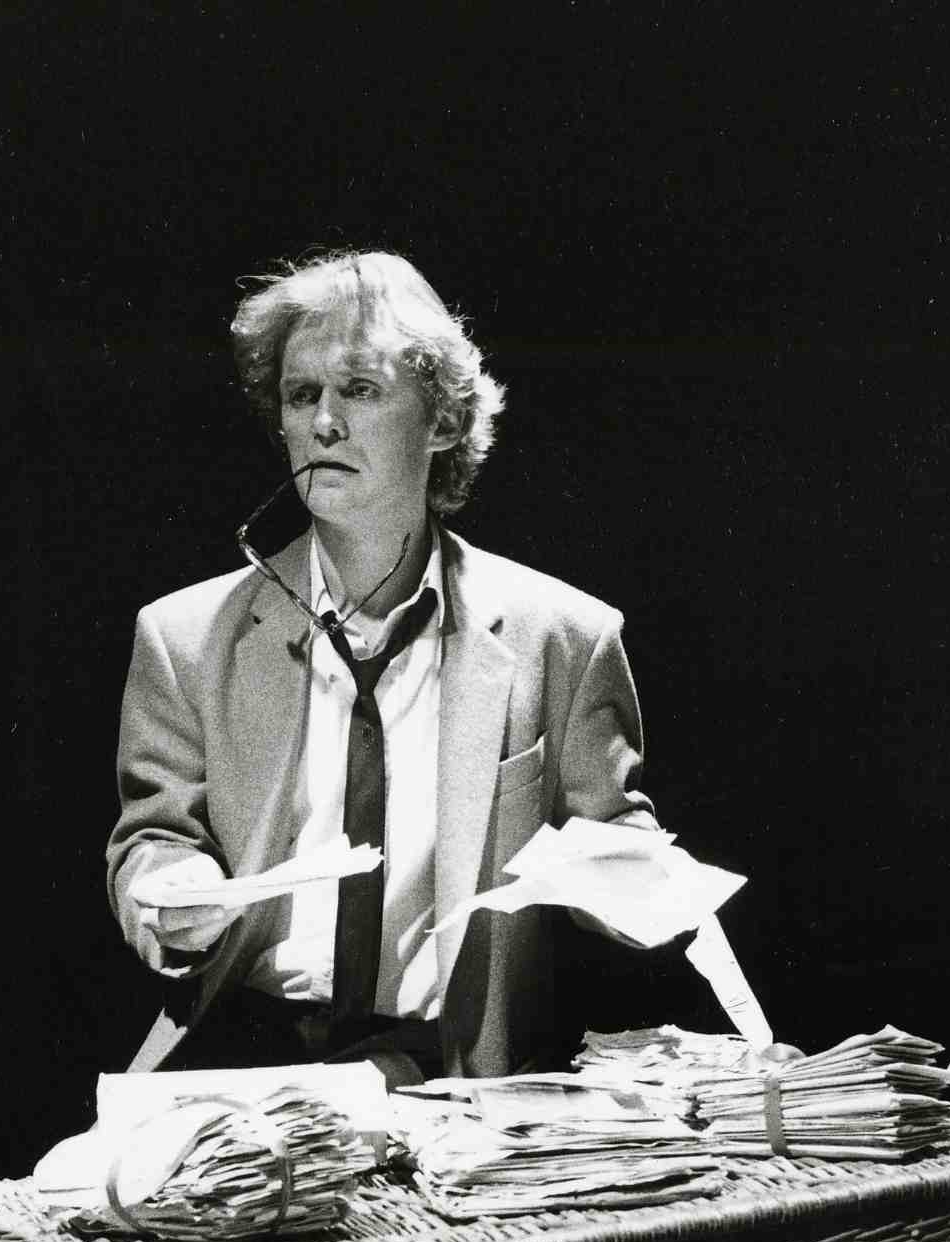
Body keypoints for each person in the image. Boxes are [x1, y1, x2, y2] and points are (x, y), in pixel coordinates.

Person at [108, 248, 660, 1083]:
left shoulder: (564, 637)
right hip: (241, 1062)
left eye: (360, 389)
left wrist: (636, 884)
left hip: (453, 1073)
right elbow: (153, 837)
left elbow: (616, 841)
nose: (323, 423)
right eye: (301, 394)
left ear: (443, 421)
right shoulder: (182, 636)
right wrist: (168, 889)